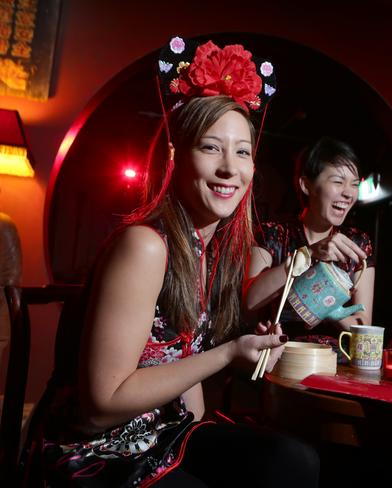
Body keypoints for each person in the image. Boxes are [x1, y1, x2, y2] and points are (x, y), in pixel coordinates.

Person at [22, 36, 319, 487]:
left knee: (293, 461)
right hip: (97, 451)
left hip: (161, 434)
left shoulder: (205, 251)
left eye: (242, 152)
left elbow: (184, 367)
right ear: (177, 157)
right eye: (210, 147)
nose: (229, 168)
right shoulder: (145, 245)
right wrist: (227, 354)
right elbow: (102, 401)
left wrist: (205, 434)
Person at [244, 136, 375, 343]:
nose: (349, 193)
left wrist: (330, 309)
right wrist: (308, 254)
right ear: (306, 185)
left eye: (354, 184)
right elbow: (250, 300)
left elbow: (364, 327)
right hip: (283, 355)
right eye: (338, 182)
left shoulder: (358, 243)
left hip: (336, 362)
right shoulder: (271, 234)